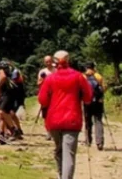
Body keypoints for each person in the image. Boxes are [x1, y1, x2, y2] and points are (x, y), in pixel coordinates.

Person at [38, 50, 93, 179]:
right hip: (72, 120)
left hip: (53, 120)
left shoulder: (50, 78)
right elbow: (88, 98)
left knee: (59, 150)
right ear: (69, 60)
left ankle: (60, 174)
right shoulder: (78, 76)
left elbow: (42, 100)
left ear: (54, 62)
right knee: (69, 153)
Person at [0, 60, 20, 138]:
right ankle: (7, 133)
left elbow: (3, 77)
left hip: (8, 92)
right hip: (9, 92)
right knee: (3, 113)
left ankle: (14, 130)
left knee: (2, 111)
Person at [83, 62, 105, 151]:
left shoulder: (83, 77)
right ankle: (99, 142)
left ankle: (88, 140)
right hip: (98, 102)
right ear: (93, 67)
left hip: (87, 102)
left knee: (88, 121)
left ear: (86, 67)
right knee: (98, 121)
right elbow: (103, 88)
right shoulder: (98, 76)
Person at [38, 55, 55, 140]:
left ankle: (53, 131)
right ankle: (48, 131)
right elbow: (38, 83)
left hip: (55, 95)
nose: (48, 63)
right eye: (46, 61)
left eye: (49, 61)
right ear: (44, 62)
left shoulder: (56, 71)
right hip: (45, 95)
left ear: (52, 61)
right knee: (46, 115)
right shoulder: (42, 71)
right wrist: (43, 80)